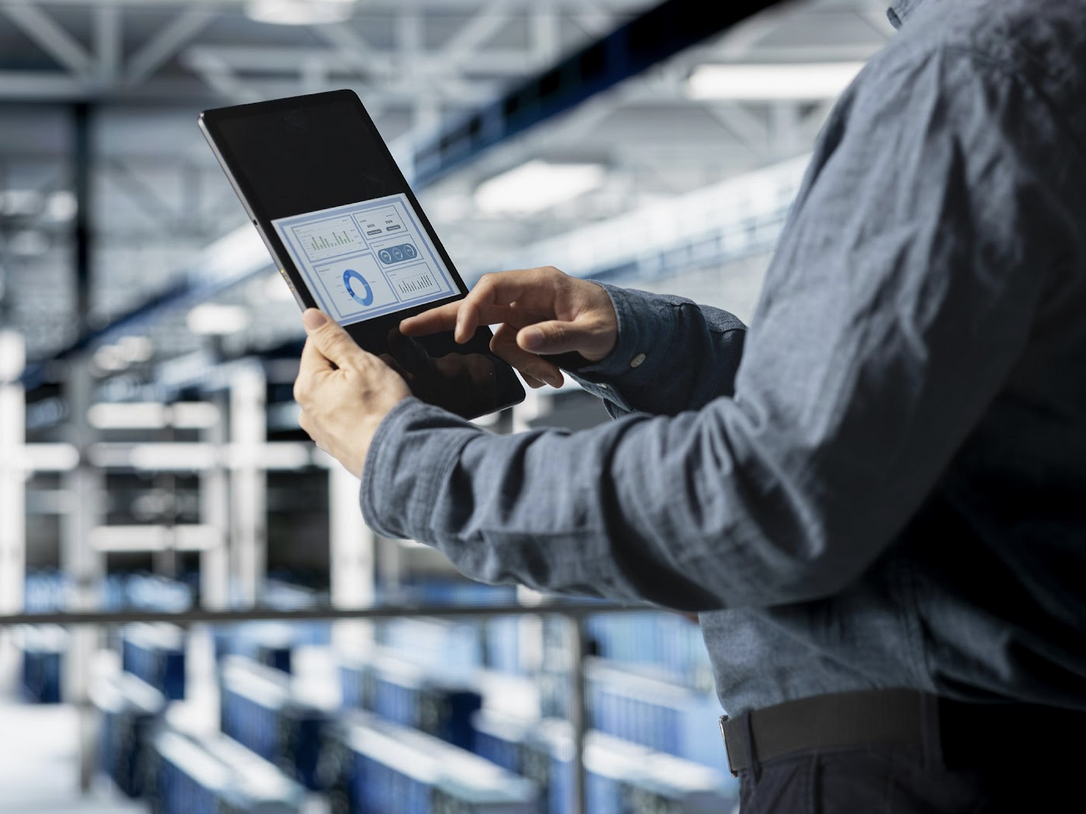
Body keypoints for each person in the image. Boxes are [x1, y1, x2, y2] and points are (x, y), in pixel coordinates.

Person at [293, 0, 1086, 808]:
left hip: (918, 770)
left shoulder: (977, 69)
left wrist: (411, 462)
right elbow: (886, 425)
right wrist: (640, 342)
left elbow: (770, 497)